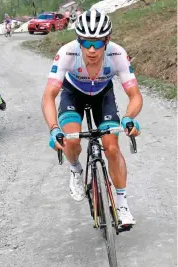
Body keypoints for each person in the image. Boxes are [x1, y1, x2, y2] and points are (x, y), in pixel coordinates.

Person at [41, 9, 143, 227]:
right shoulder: (67, 53)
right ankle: (76, 169)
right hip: (73, 94)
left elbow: (135, 95)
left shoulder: (117, 54)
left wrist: (129, 118)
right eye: (86, 43)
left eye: (98, 43)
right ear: (78, 40)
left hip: (103, 95)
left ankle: (122, 205)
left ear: (108, 40)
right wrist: (53, 128)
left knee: (112, 147)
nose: (92, 50)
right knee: (71, 139)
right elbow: (49, 96)